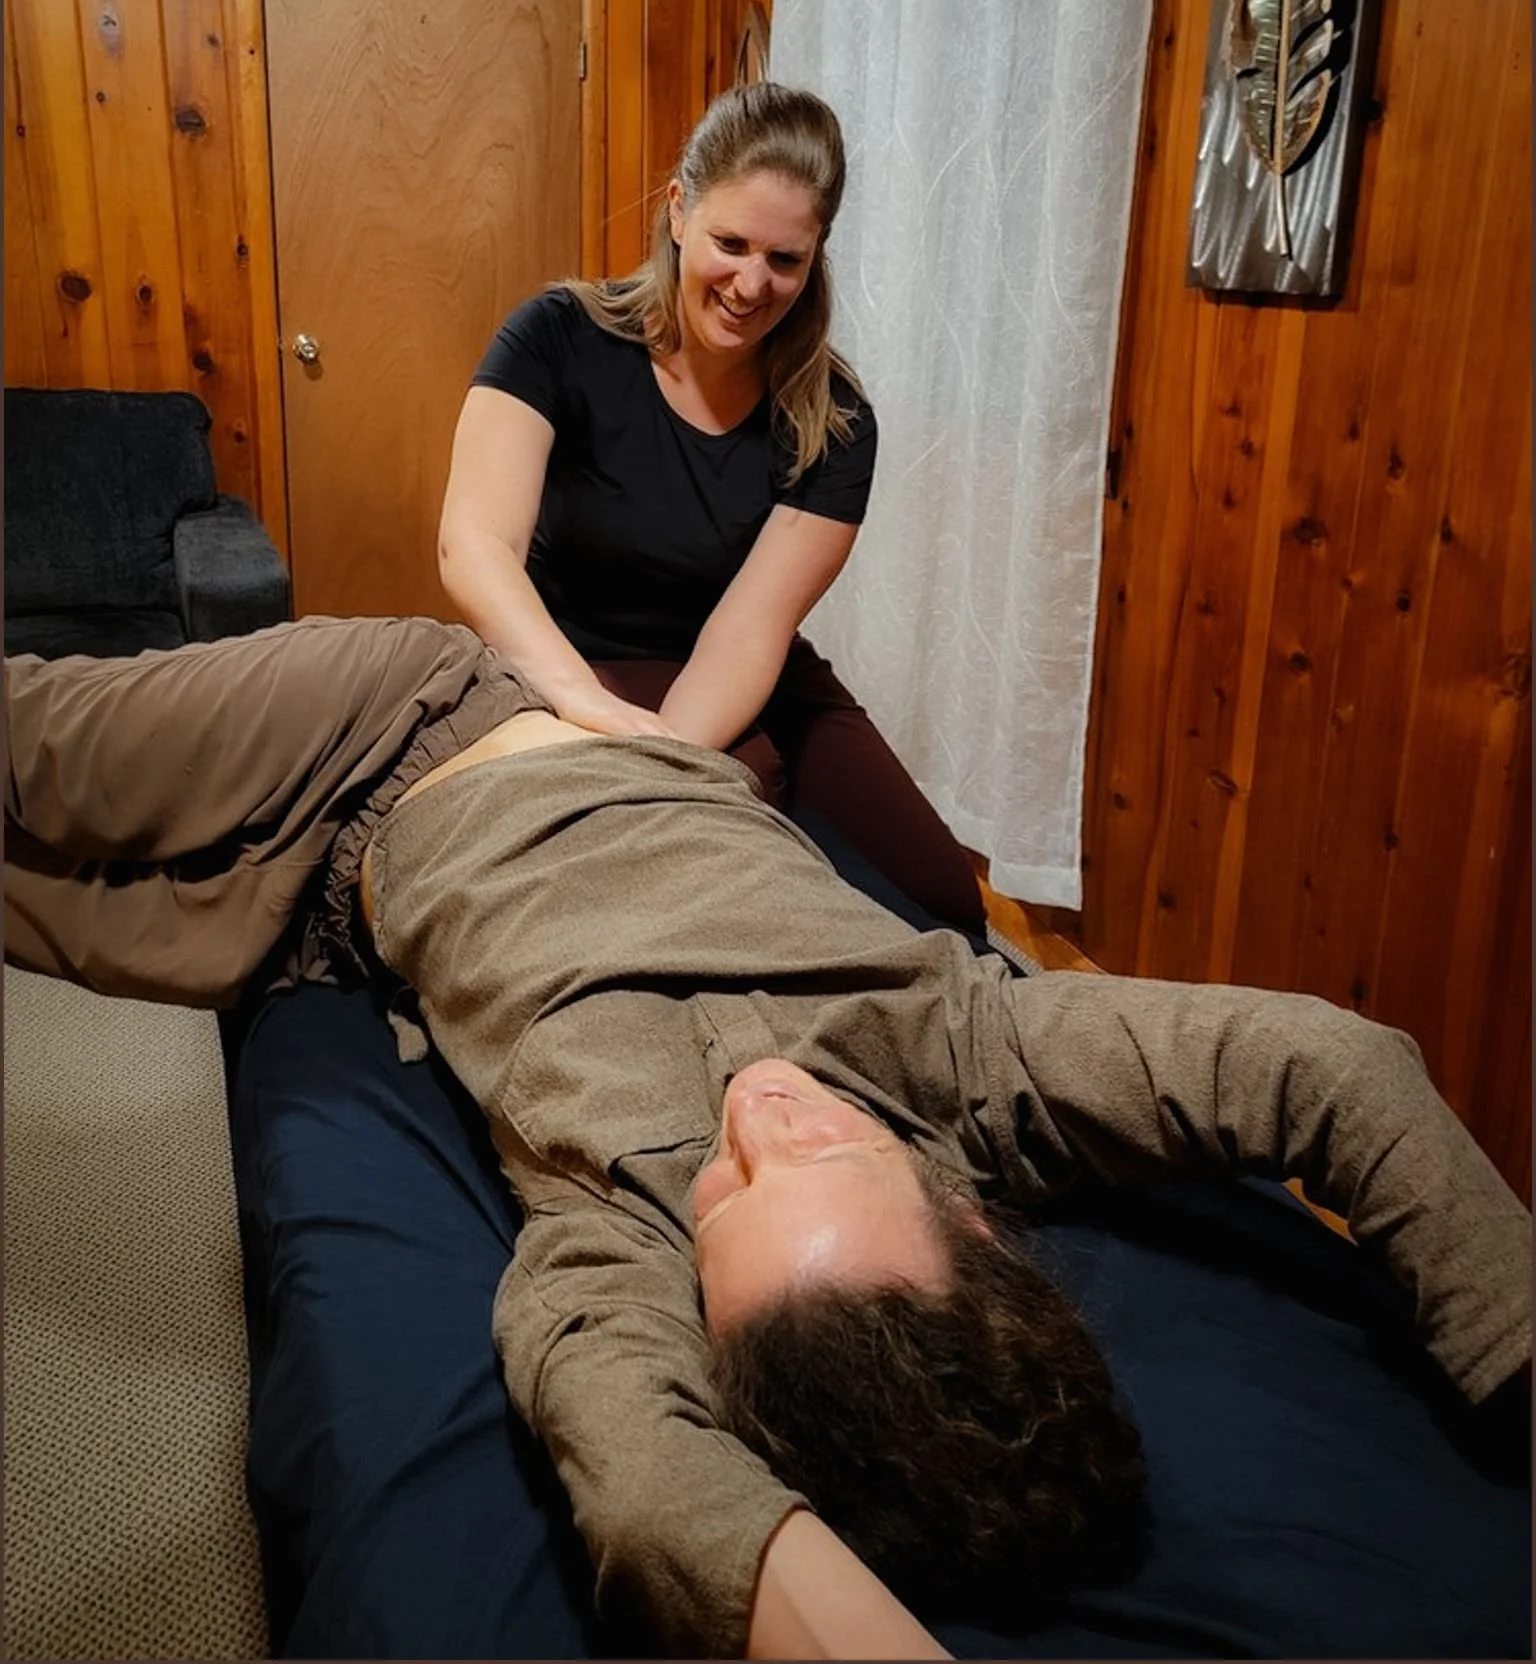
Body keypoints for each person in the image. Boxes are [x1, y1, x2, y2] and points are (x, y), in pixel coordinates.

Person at [6, 618, 1530, 1661]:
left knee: (36, 912)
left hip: (341, 908)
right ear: (971, 1212)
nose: (755, 1121)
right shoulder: (976, 1053)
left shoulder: (612, 1239)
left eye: (732, 1189)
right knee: (30, 749)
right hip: (409, 716)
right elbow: (1329, 1067)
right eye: (823, 1146)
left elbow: (641, 1466)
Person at [436, 80, 986, 933]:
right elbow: (473, 547)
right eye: (731, 243)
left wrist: (659, 768)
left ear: (816, 256)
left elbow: (747, 634)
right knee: (689, 872)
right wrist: (586, 708)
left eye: (785, 260)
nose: (750, 283)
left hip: (734, 668)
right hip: (563, 653)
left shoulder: (834, 420)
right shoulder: (555, 337)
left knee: (941, 907)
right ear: (678, 211)